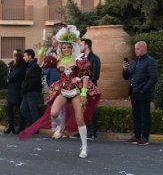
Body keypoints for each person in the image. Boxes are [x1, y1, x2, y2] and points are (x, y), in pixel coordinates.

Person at [20, 25, 101, 159]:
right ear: (61, 49)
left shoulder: (80, 60)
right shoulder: (56, 60)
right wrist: (43, 47)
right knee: (54, 113)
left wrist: (83, 93)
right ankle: (61, 125)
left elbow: (85, 76)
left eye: (69, 47)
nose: (66, 49)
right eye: (64, 47)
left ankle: (84, 147)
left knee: (80, 119)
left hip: (76, 90)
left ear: (72, 48)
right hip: (63, 89)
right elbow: (39, 63)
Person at [123, 41, 158, 145]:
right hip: (134, 93)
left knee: (145, 115)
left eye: (137, 49)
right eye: (135, 49)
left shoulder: (150, 61)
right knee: (136, 115)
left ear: (143, 48)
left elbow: (154, 78)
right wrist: (124, 69)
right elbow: (127, 77)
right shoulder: (134, 61)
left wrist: (143, 89)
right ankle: (137, 135)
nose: (135, 51)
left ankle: (145, 137)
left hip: (143, 93)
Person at [80, 38, 101, 139]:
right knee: (81, 109)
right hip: (81, 88)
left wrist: (87, 85)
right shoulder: (81, 58)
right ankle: (82, 130)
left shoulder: (95, 58)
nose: (80, 47)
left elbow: (95, 75)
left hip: (90, 88)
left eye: (81, 45)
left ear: (86, 45)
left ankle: (92, 132)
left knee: (91, 109)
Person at [19, 49, 42, 132]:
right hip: (27, 92)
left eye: (25, 56)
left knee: (33, 110)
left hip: (32, 92)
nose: (23, 57)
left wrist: (26, 88)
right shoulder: (29, 65)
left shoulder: (35, 66)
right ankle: (34, 125)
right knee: (22, 109)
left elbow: (33, 81)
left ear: (30, 56)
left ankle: (35, 128)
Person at [4, 50, 26, 134]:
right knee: (9, 109)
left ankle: (21, 127)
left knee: (18, 109)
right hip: (11, 90)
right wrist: (8, 78)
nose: (13, 58)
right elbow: (7, 75)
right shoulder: (12, 65)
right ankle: (11, 126)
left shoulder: (21, 67)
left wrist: (9, 78)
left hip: (17, 90)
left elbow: (12, 76)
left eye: (15, 56)